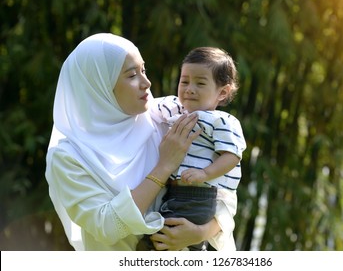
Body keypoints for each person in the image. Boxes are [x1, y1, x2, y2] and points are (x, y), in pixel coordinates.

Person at [45, 33, 232, 251]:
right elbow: (106, 226)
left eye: (144, 70)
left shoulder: (168, 117)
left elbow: (225, 190)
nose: (147, 82)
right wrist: (164, 167)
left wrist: (200, 232)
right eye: (132, 75)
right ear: (100, 85)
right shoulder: (69, 156)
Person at [138, 47, 246, 250]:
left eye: (200, 83)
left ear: (222, 92)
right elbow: (147, 108)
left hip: (197, 196)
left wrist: (205, 173)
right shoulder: (173, 107)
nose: (189, 89)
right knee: (158, 241)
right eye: (185, 81)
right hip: (172, 192)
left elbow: (231, 156)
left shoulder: (222, 121)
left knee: (162, 241)